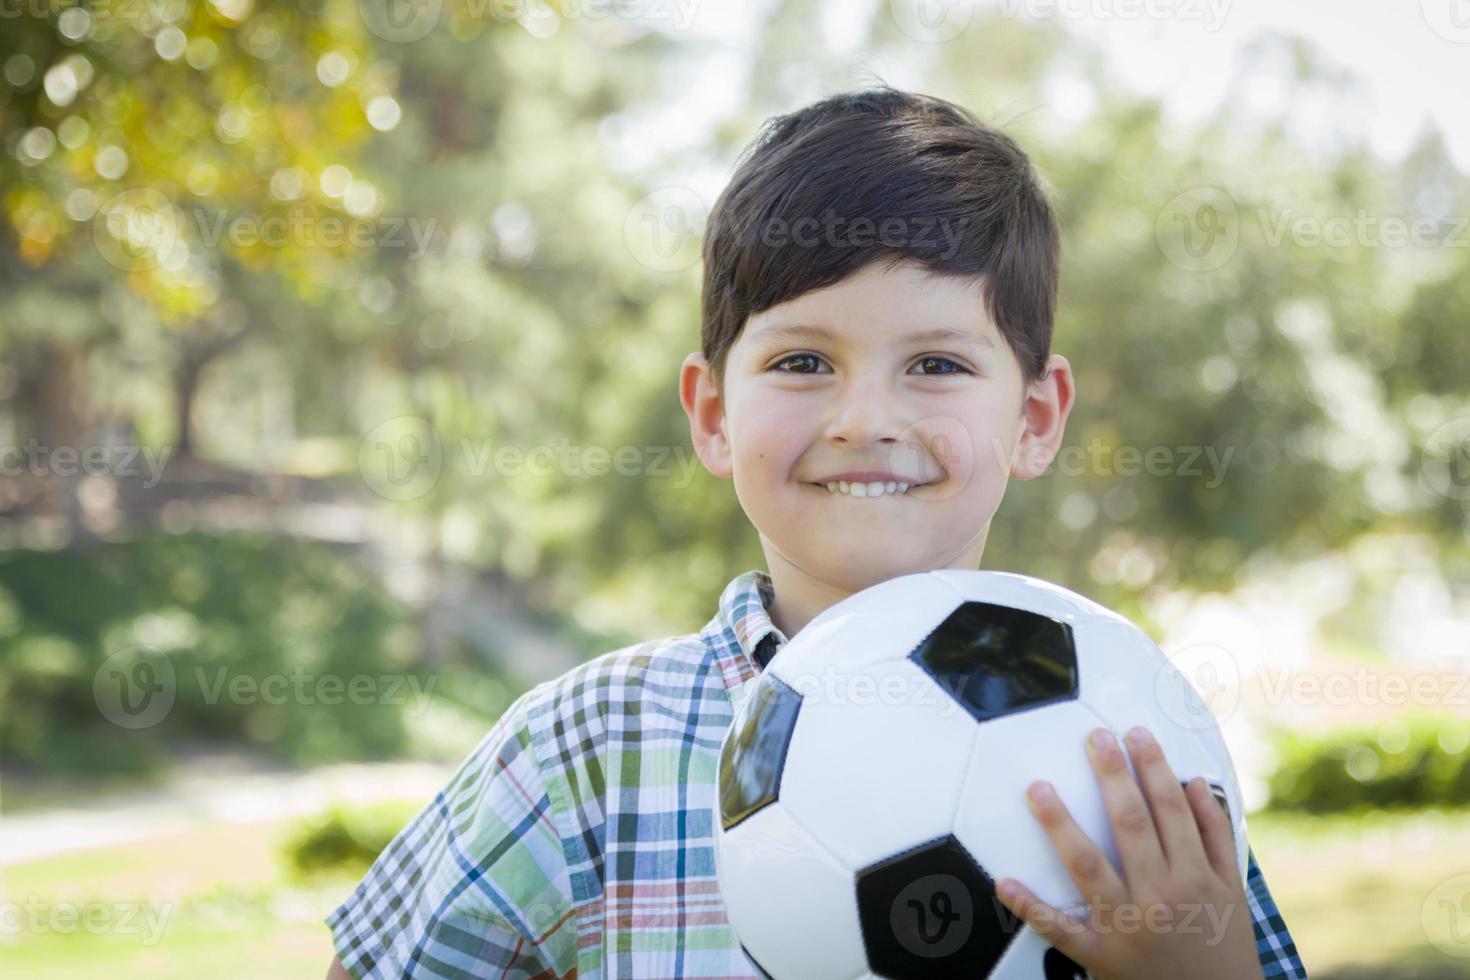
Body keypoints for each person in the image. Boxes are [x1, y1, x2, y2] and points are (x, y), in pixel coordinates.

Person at [325, 87, 1307, 979]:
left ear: (1036, 417)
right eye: (802, 360)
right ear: (712, 413)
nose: (865, 417)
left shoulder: (1132, 738)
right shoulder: (586, 747)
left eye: (936, 365)